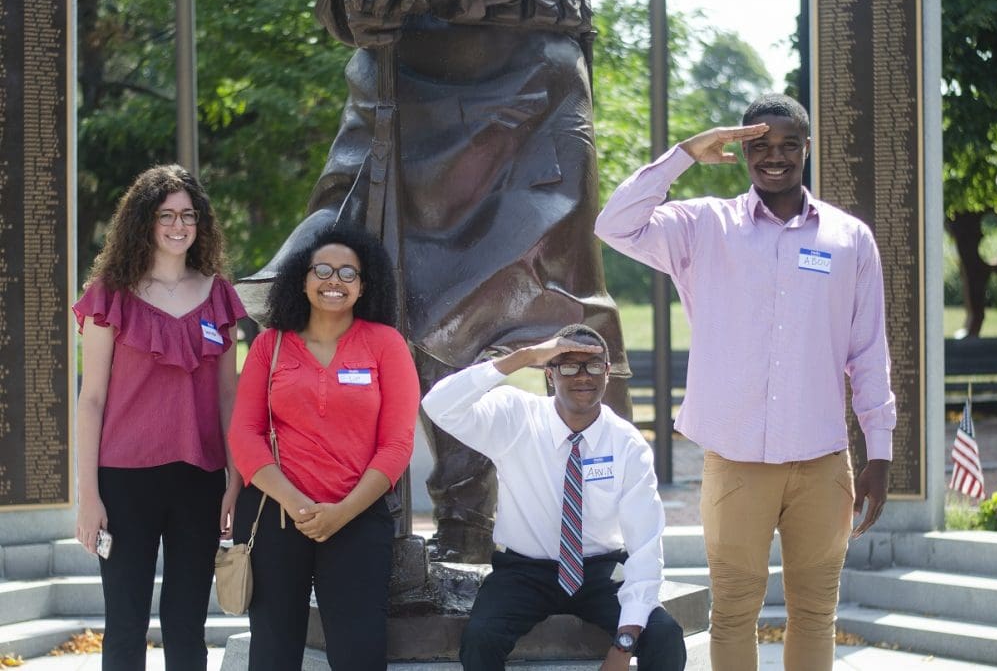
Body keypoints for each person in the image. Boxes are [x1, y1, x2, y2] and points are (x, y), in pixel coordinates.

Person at [234, 0, 633, 562]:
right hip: (402, 74)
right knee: (409, 301)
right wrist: (359, 8)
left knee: (567, 300)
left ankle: (606, 534)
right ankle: (456, 522)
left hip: (531, 70)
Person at [594, 93, 897, 670]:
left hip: (822, 460)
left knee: (815, 612)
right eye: (760, 145)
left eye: (788, 145)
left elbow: (868, 353)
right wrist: (686, 152)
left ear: (807, 149)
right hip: (734, 461)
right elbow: (614, 223)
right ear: (742, 149)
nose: (774, 157)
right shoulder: (702, 226)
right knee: (733, 612)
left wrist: (878, 453)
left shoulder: (849, 238)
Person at [422, 324, 686, 671]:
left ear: (607, 373)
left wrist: (624, 644)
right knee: (481, 638)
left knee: (666, 636)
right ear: (549, 373)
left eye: (593, 365)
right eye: (568, 365)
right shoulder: (515, 418)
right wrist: (523, 357)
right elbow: (438, 405)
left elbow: (646, 547)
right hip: (523, 572)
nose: (582, 376)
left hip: (599, 573)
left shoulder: (626, 444)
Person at [73, 164, 247, 670]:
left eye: (188, 215)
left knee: (187, 623)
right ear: (143, 221)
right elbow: (92, 400)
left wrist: (235, 479)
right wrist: (88, 497)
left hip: (199, 480)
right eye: (166, 214)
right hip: (124, 480)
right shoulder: (110, 294)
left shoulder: (218, 294)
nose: (178, 226)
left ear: (201, 223)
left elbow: (228, 397)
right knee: (124, 625)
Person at [227, 222, 419, 670]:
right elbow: (244, 435)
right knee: (273, 655)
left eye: (348, 273)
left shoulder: (385, 345)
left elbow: (397, 444)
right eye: (324, 270)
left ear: (364, 284)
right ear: (303, 277)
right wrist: (297, 505)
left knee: (359, 656)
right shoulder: (269, 345)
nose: (335, 280)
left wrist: (341, 513)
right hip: (275, 514)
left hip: (356, 519)